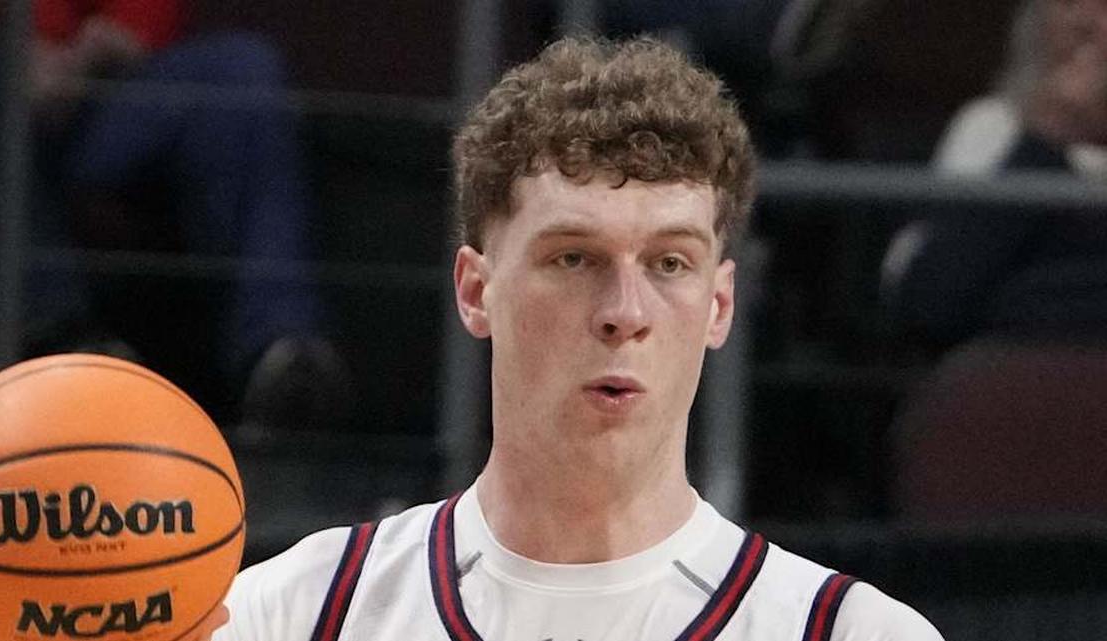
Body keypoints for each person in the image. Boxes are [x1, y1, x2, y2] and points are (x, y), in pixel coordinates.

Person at [210, 36, 944, 641]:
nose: (624, 310)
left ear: (719, 303)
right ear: (476, 290)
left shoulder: (853, 632)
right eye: (573, 257)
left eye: (668, 262)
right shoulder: (295, 613)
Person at [23, 0, 340, 424]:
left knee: (243, 67)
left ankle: (281, 355)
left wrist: (82, 58)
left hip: (99, 94)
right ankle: (62, 343)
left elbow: (136, 28)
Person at [884, 0, 1107, 350]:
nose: (1083, 22)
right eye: (1066, 4)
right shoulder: (992, 127)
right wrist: (1045, 137)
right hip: (1021, 374)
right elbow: (931, 300)